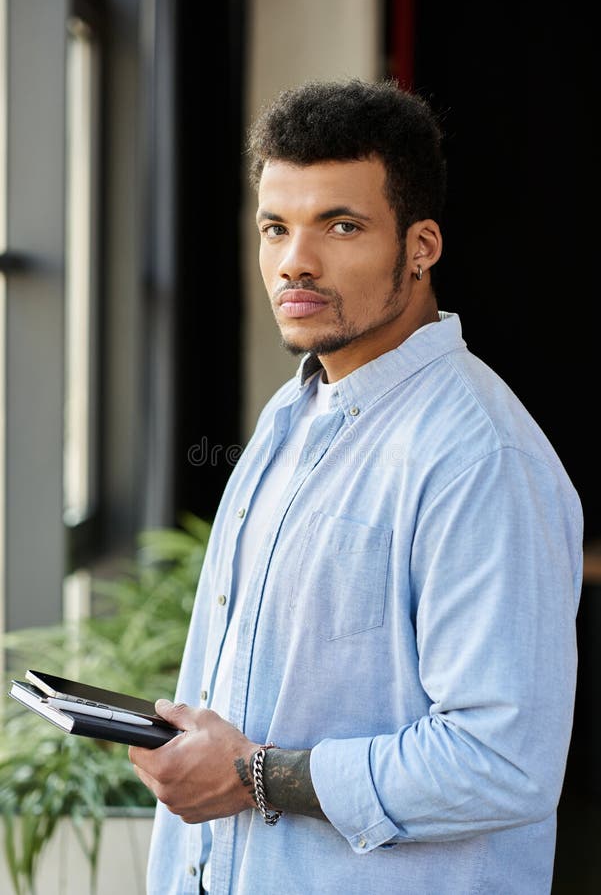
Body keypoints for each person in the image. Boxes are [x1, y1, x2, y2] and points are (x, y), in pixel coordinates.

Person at [130, 78, 583, 895]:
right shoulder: (289, 413)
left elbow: (503, 762)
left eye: (340, 225)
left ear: (421, 246)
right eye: (276, 227)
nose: (295, 261)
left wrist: (251, 776)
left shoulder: (480, 456)